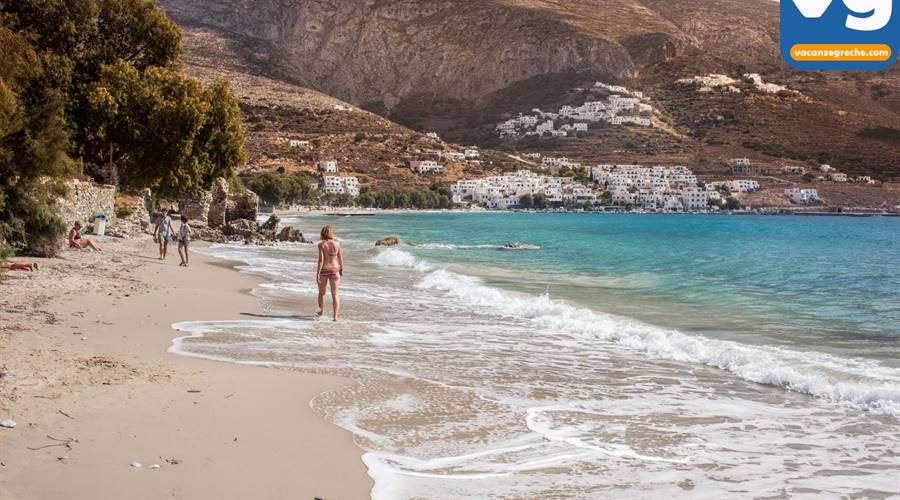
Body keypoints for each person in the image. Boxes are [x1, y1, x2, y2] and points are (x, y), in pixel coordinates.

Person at [316, 225, 344, 321]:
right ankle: (335, 316)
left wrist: (317, 274)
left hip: (324, 270)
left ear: (322, 233)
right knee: (335, 294)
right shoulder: (337, 244)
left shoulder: (321, 244)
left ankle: (321, 312)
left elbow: (321, 260)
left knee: (322, 293)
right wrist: (341, 269)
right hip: (335, 270)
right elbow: (340, 258)